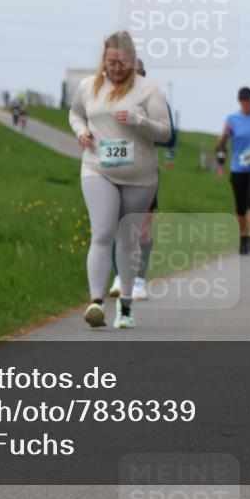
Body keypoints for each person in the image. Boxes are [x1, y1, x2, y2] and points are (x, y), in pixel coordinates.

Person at [69, 31, 171, 329]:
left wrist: (140, 121)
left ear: (130, 59)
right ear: (104, 58)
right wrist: (80, 132)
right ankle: (96, 303)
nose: (115, 68)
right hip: (97, 168)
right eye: (110, 62)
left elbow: (165, 132)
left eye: (121, 62)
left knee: (127, 239)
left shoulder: (148, 89)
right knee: (102, 232)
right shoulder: (89, 86)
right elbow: (75, 114)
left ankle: (126, 306)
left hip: (139, 176)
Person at [109, 59, 177, 300]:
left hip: (145, 169)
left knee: (144, 226)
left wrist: (142, 123)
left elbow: (170, 137)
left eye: (136, 74)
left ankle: (138, 279)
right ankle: (119, 277)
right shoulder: (107, 98)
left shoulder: (154, 98)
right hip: (113, 167)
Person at [216, 87, 250, 255]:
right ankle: (242, 237)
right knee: (240, 206)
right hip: (238, 167)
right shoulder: (232, 119)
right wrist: (224, 135)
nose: (246, 103)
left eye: (248, 100)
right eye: (243, 100)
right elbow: (220, 145)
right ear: (239, 101)